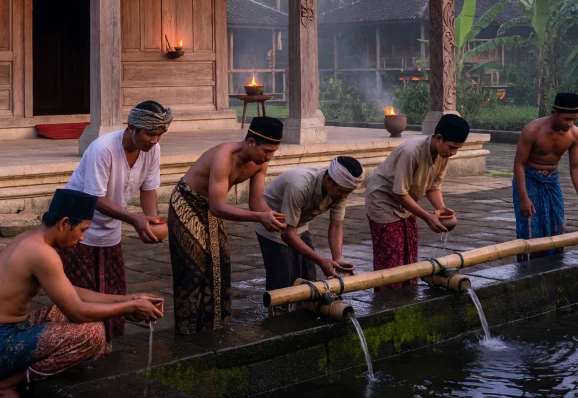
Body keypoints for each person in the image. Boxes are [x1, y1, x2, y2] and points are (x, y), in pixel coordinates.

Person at [0, 188, 164, 398]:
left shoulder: (31, 239)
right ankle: (5, 386)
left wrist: (130, 299)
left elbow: (71, 292)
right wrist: (129, 307)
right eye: (82, 230)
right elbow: (78, 312)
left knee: (65, 313)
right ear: (65, 223)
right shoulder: (42, 253)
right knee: (92, 333)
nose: (82, 238)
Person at [61, 101, 171, 342]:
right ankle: (80, 344)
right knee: (83, 293)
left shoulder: (153, 150)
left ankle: (106, 344)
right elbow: (95, 198)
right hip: (78, 228)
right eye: (150, 134)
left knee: (113, 290)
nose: (155, 140)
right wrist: (134, 219)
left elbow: (149, 188)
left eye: (160, 134)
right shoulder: (104, 148)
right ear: (131, 127)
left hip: (111, 227)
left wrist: (151, 219)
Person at [168, 116, 287, 334]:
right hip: (187, 202)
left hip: (213, 206)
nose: (269, 156)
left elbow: (255, 201)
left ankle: (216, 328)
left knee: (220, 264)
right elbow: (217, 207)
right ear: (251, 142)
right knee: (193, 268)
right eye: (267, 151)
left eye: (273, 152)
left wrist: (270, 214)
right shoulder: (224, 156)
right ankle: (187, 334)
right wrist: (258, 217)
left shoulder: (260, 162)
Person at [365, 113, 469, 289]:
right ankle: (387, 304)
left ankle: (408, 297)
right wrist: (428, 217)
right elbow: (399, 192)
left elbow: (433, 187)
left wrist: (441, 209)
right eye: (452, 147)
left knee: (410, 256)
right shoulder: (411, 151)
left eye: (457, 149)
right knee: (392, 261)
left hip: (406, 201)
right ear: (438, 138)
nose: (453, 153)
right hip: (383, 201)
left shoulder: (443, 155)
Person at [257, 156, 365, 314]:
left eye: (348, 193)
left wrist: (338, 260)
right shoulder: (299, 184)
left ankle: (303, 314)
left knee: (309, 274)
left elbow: (336, 226)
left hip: (297, 224)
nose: (344, 197)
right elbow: (287, 234)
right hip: (271, 222)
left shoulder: (340, 191)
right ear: (328, 180)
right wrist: (322, 260)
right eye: (342, 192)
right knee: (283, 275)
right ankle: (278, 319)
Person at [513, 92, 578, 258]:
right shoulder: (533, 130)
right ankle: (528, 267)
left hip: (552, 180)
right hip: (529, 178)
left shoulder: (575, 134)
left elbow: (576, 166)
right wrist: (523, 197)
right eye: (567, 119)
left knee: (557, 222)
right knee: (530, 224)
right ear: (554, 113)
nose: (570, 124)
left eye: (574, 119)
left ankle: (555, 261)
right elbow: (519, 164)